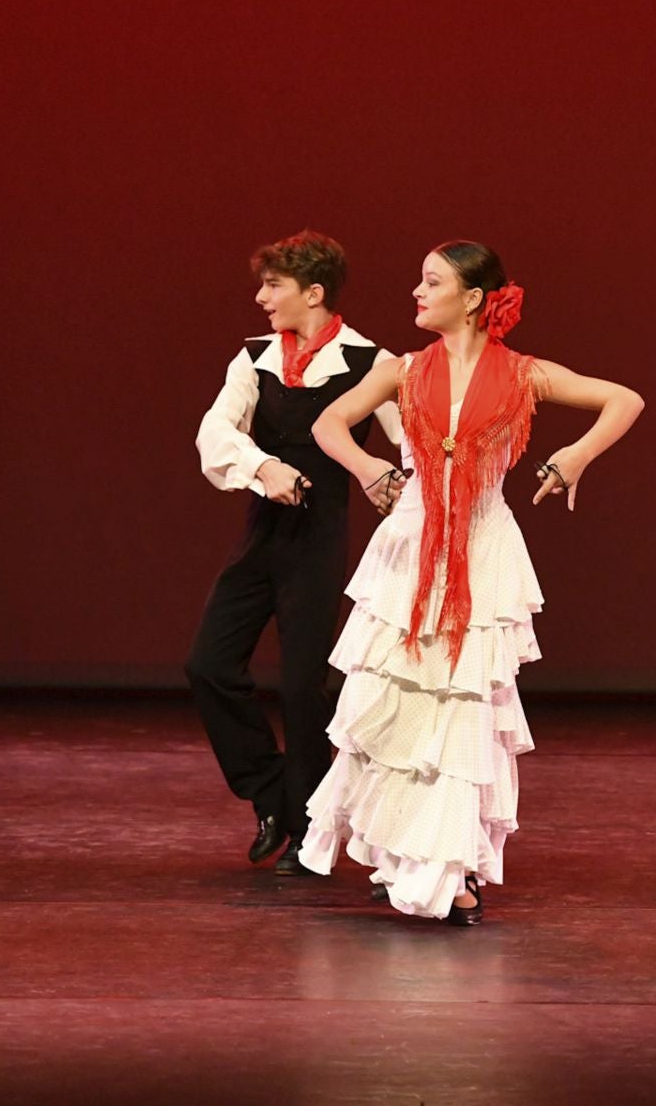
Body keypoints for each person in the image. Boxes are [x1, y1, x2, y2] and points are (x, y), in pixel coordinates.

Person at [297, 241, 644, 924]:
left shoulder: (522, 374)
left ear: (474, 298)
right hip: (412, 545)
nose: (418, 293)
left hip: (481, 546)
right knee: (400, 704)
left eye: (433, 282)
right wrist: (369, 467)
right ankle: (401, 848)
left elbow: (623, 399)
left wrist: (575, 455)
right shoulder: (402, 369)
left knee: (460, 710)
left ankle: (453, 865)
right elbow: (328, 423)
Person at [186, 230, 403, 875]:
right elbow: (215, 431)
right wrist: (262, 467)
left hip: (321, 538)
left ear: (313, 292)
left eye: (273, 286)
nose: (261, 299)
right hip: (264, 530)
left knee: (307, 686)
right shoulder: (253, 358)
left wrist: (394, 482)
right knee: (208, 663)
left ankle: (308, 827)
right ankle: (272, 795)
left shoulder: (372, 361)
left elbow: (410, 440)